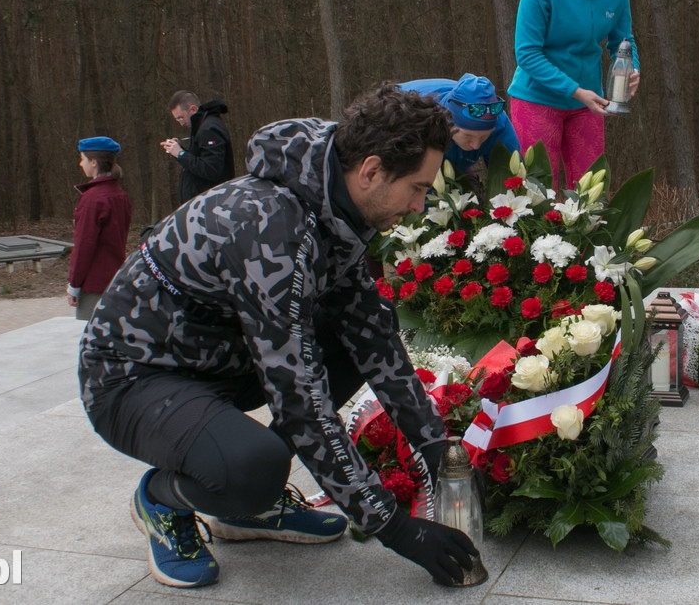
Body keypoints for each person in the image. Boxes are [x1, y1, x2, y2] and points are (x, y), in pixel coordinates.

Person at [79, 83, 478, 590]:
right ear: (372, 170)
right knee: (251, 469)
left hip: (219, 359)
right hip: (133, 375)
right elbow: (299, 399)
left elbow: (374, 340)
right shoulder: (272, 225)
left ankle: (246, 507)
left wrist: (440, 452)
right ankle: (165, 497)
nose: (421, 206)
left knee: (359, 342)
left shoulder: (338, 206)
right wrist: (397, 530)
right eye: (418, 188)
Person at [507, 0, 640, 190]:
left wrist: (633, 69)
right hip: (537, 99)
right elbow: (527, 53)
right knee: (536, 195)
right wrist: (575, 91)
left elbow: (622, 40)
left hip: (588, 105)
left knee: (591, 194)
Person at [398, 72, 521, 174]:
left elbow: (512, 177)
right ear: (448, 121)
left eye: (484, 137)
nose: (476, 146)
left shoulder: (499, 125)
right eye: (468, 135)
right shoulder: (418, 120)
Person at [67, 136, 133, 320]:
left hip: (93, 284)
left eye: (83, 159)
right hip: (117, 278)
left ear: (94, 162)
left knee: (91, 339)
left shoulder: (92, 199)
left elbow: (83, 246)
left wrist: (74, 284)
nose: (81, 164)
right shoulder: (120, 195)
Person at [159, 90, 235, 203]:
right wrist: (178, 151)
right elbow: (199, 162)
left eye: (181, 117)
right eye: (177, 120)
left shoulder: (209, 129)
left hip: (211, 204)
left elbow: (212, 170)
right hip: (204, 204)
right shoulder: (202, 126)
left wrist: (181, 154)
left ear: (193, 109)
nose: (181, 123)